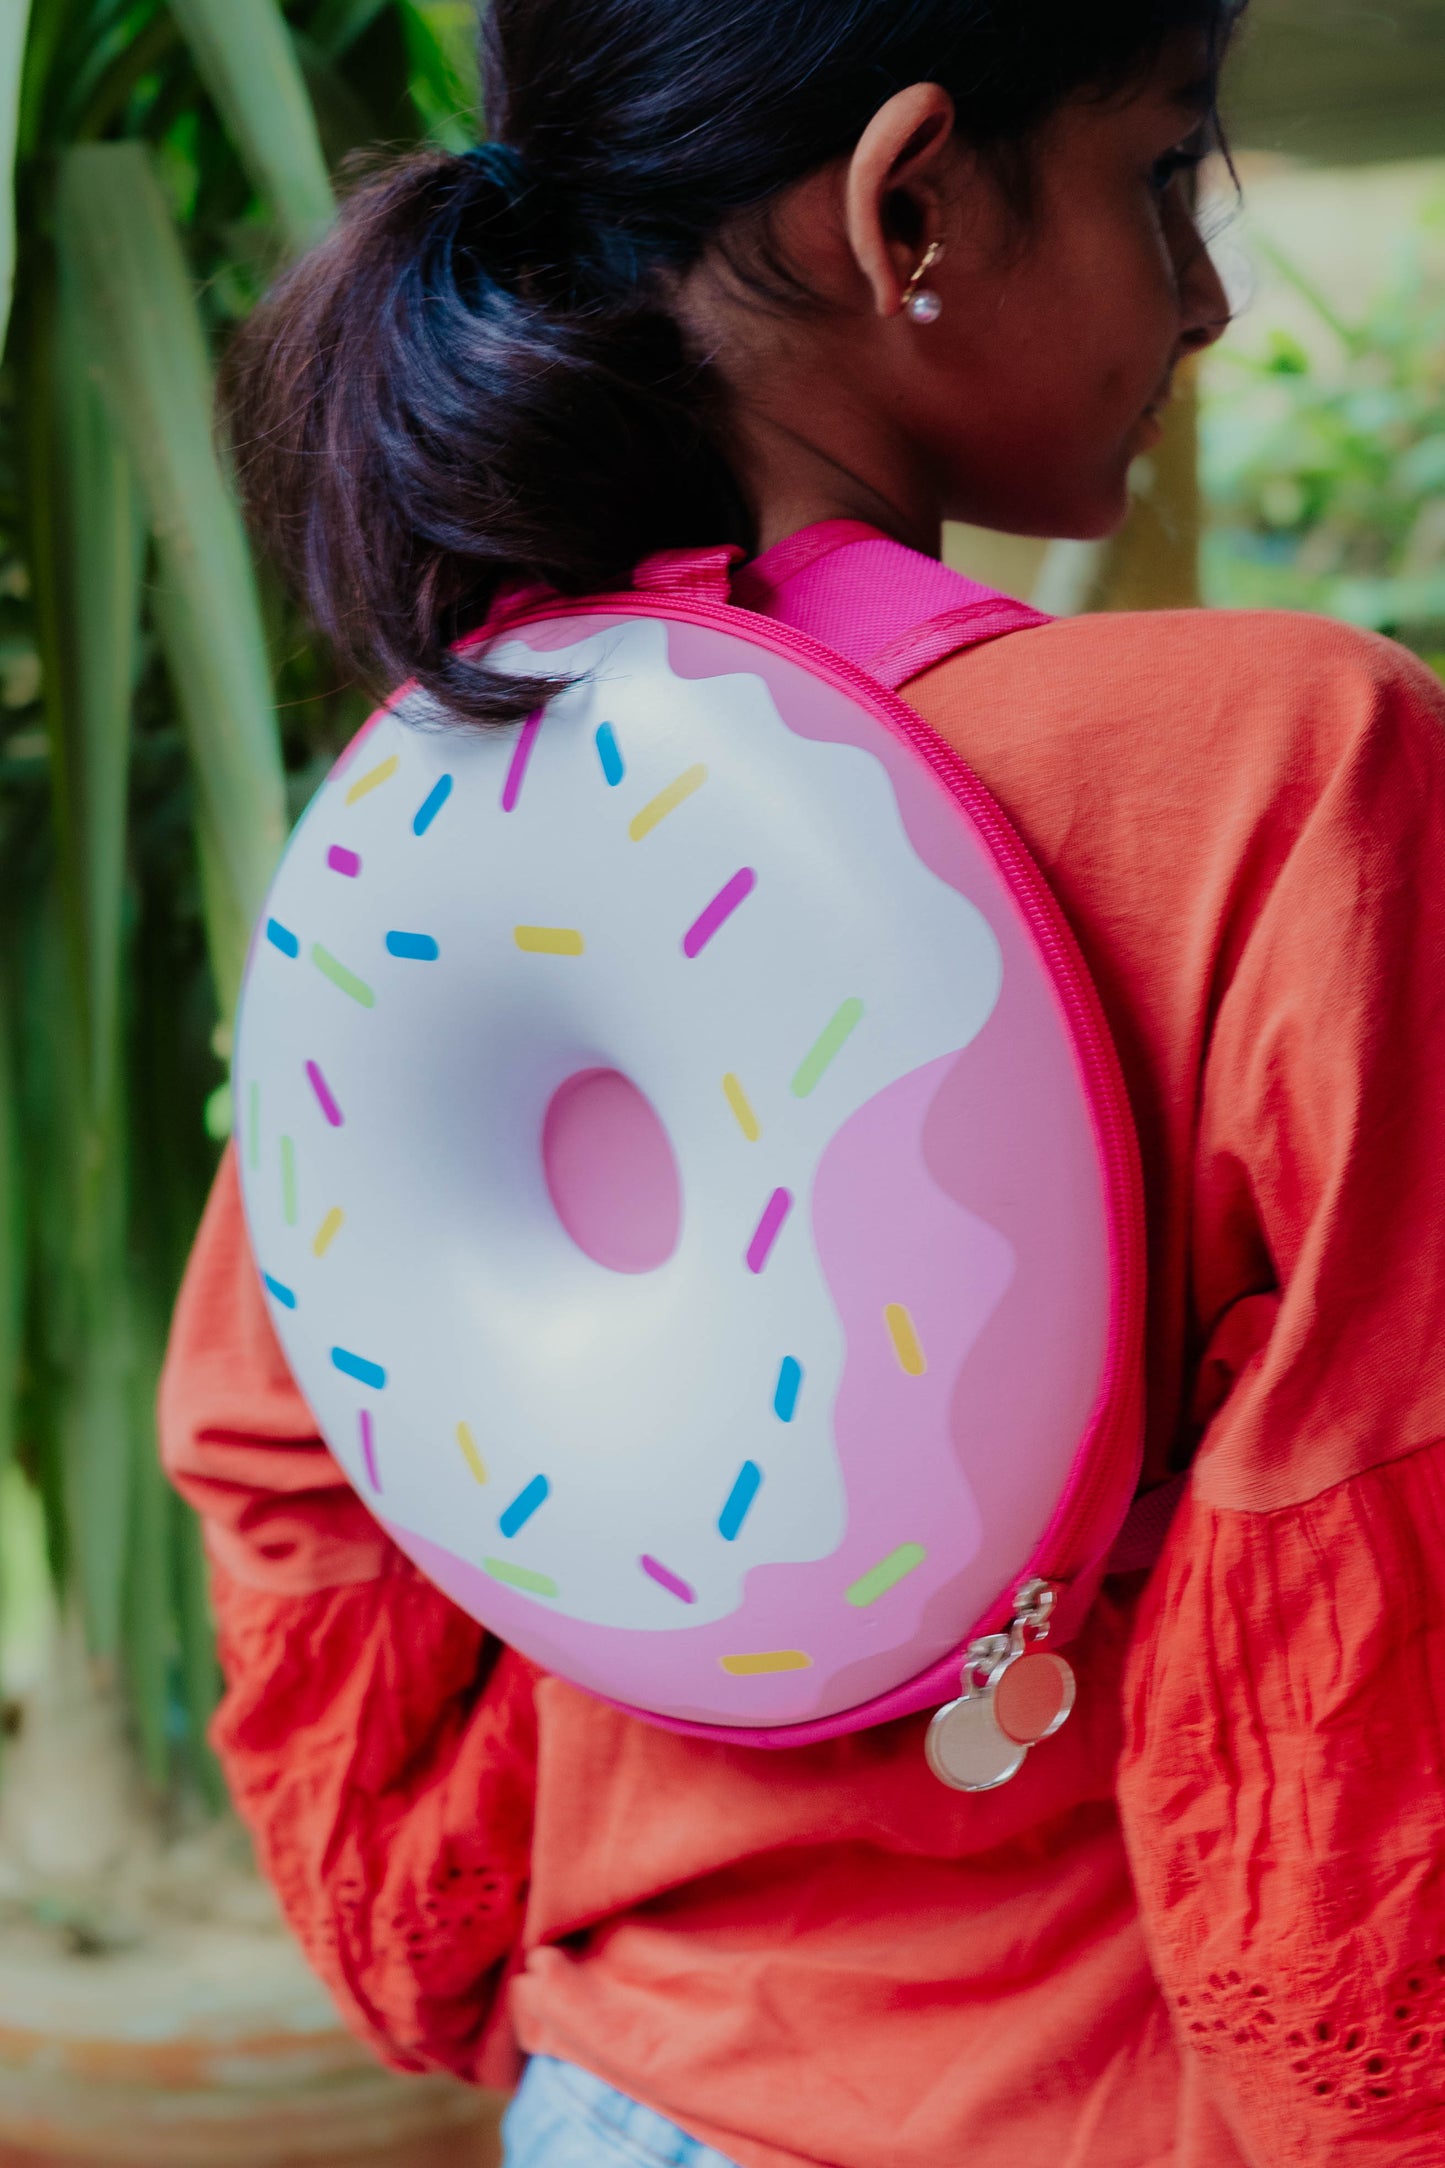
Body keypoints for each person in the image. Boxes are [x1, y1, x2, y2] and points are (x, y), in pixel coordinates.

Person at [159, 2, 1445, 2162]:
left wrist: (508, 1922)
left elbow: (275, 1454)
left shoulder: (444, 803)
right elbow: (1384, 1506)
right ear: (910, 197)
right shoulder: (1287, 771)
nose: (1209, 295)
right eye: (1161, 178)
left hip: (620, 2097)